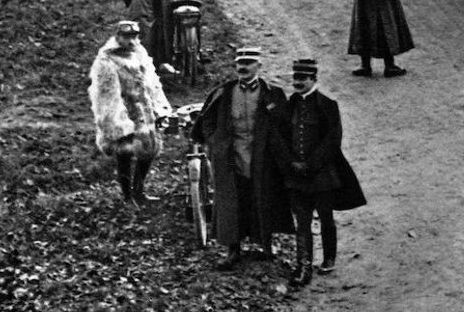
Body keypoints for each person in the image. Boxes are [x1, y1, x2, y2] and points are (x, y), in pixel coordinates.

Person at [191, 47, 293, 270]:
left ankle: (266, 245)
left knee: (263, 198)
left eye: (248, 63)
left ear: (259, 66)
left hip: (261, 158)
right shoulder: (223, 93)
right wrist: (215, 142)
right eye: (240, 63)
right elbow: (206, 121)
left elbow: (285, 125)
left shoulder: (273, 93)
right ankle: (233, 250)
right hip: (231, 157)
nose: (243, 67)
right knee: (231, 202)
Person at [273, 58, 366, 287]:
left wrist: (311, 165)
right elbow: (279, 138)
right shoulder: (288, 106)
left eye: (303, 79)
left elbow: (332, 140)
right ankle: (304, 266)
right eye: (295, 78)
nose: (297, 83)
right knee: (302, 221)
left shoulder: (328, 105)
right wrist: (291, 163)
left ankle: (329, 257)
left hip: (322, 176)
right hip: (296, 176)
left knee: (326, 217)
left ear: (314, 79)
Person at [87, 20, 172, 206]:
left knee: (148, 150)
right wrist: (118, 122)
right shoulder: (107, 60)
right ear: (118, 37)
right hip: (124, 111)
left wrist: (160, 108)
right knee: (124, 153)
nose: (131, 41)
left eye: (134, 36)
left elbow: (153, 84)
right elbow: (107, 94)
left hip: (144, 111)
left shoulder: (140, 54)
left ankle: (139, 190)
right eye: (126, 37)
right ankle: (127, 196)